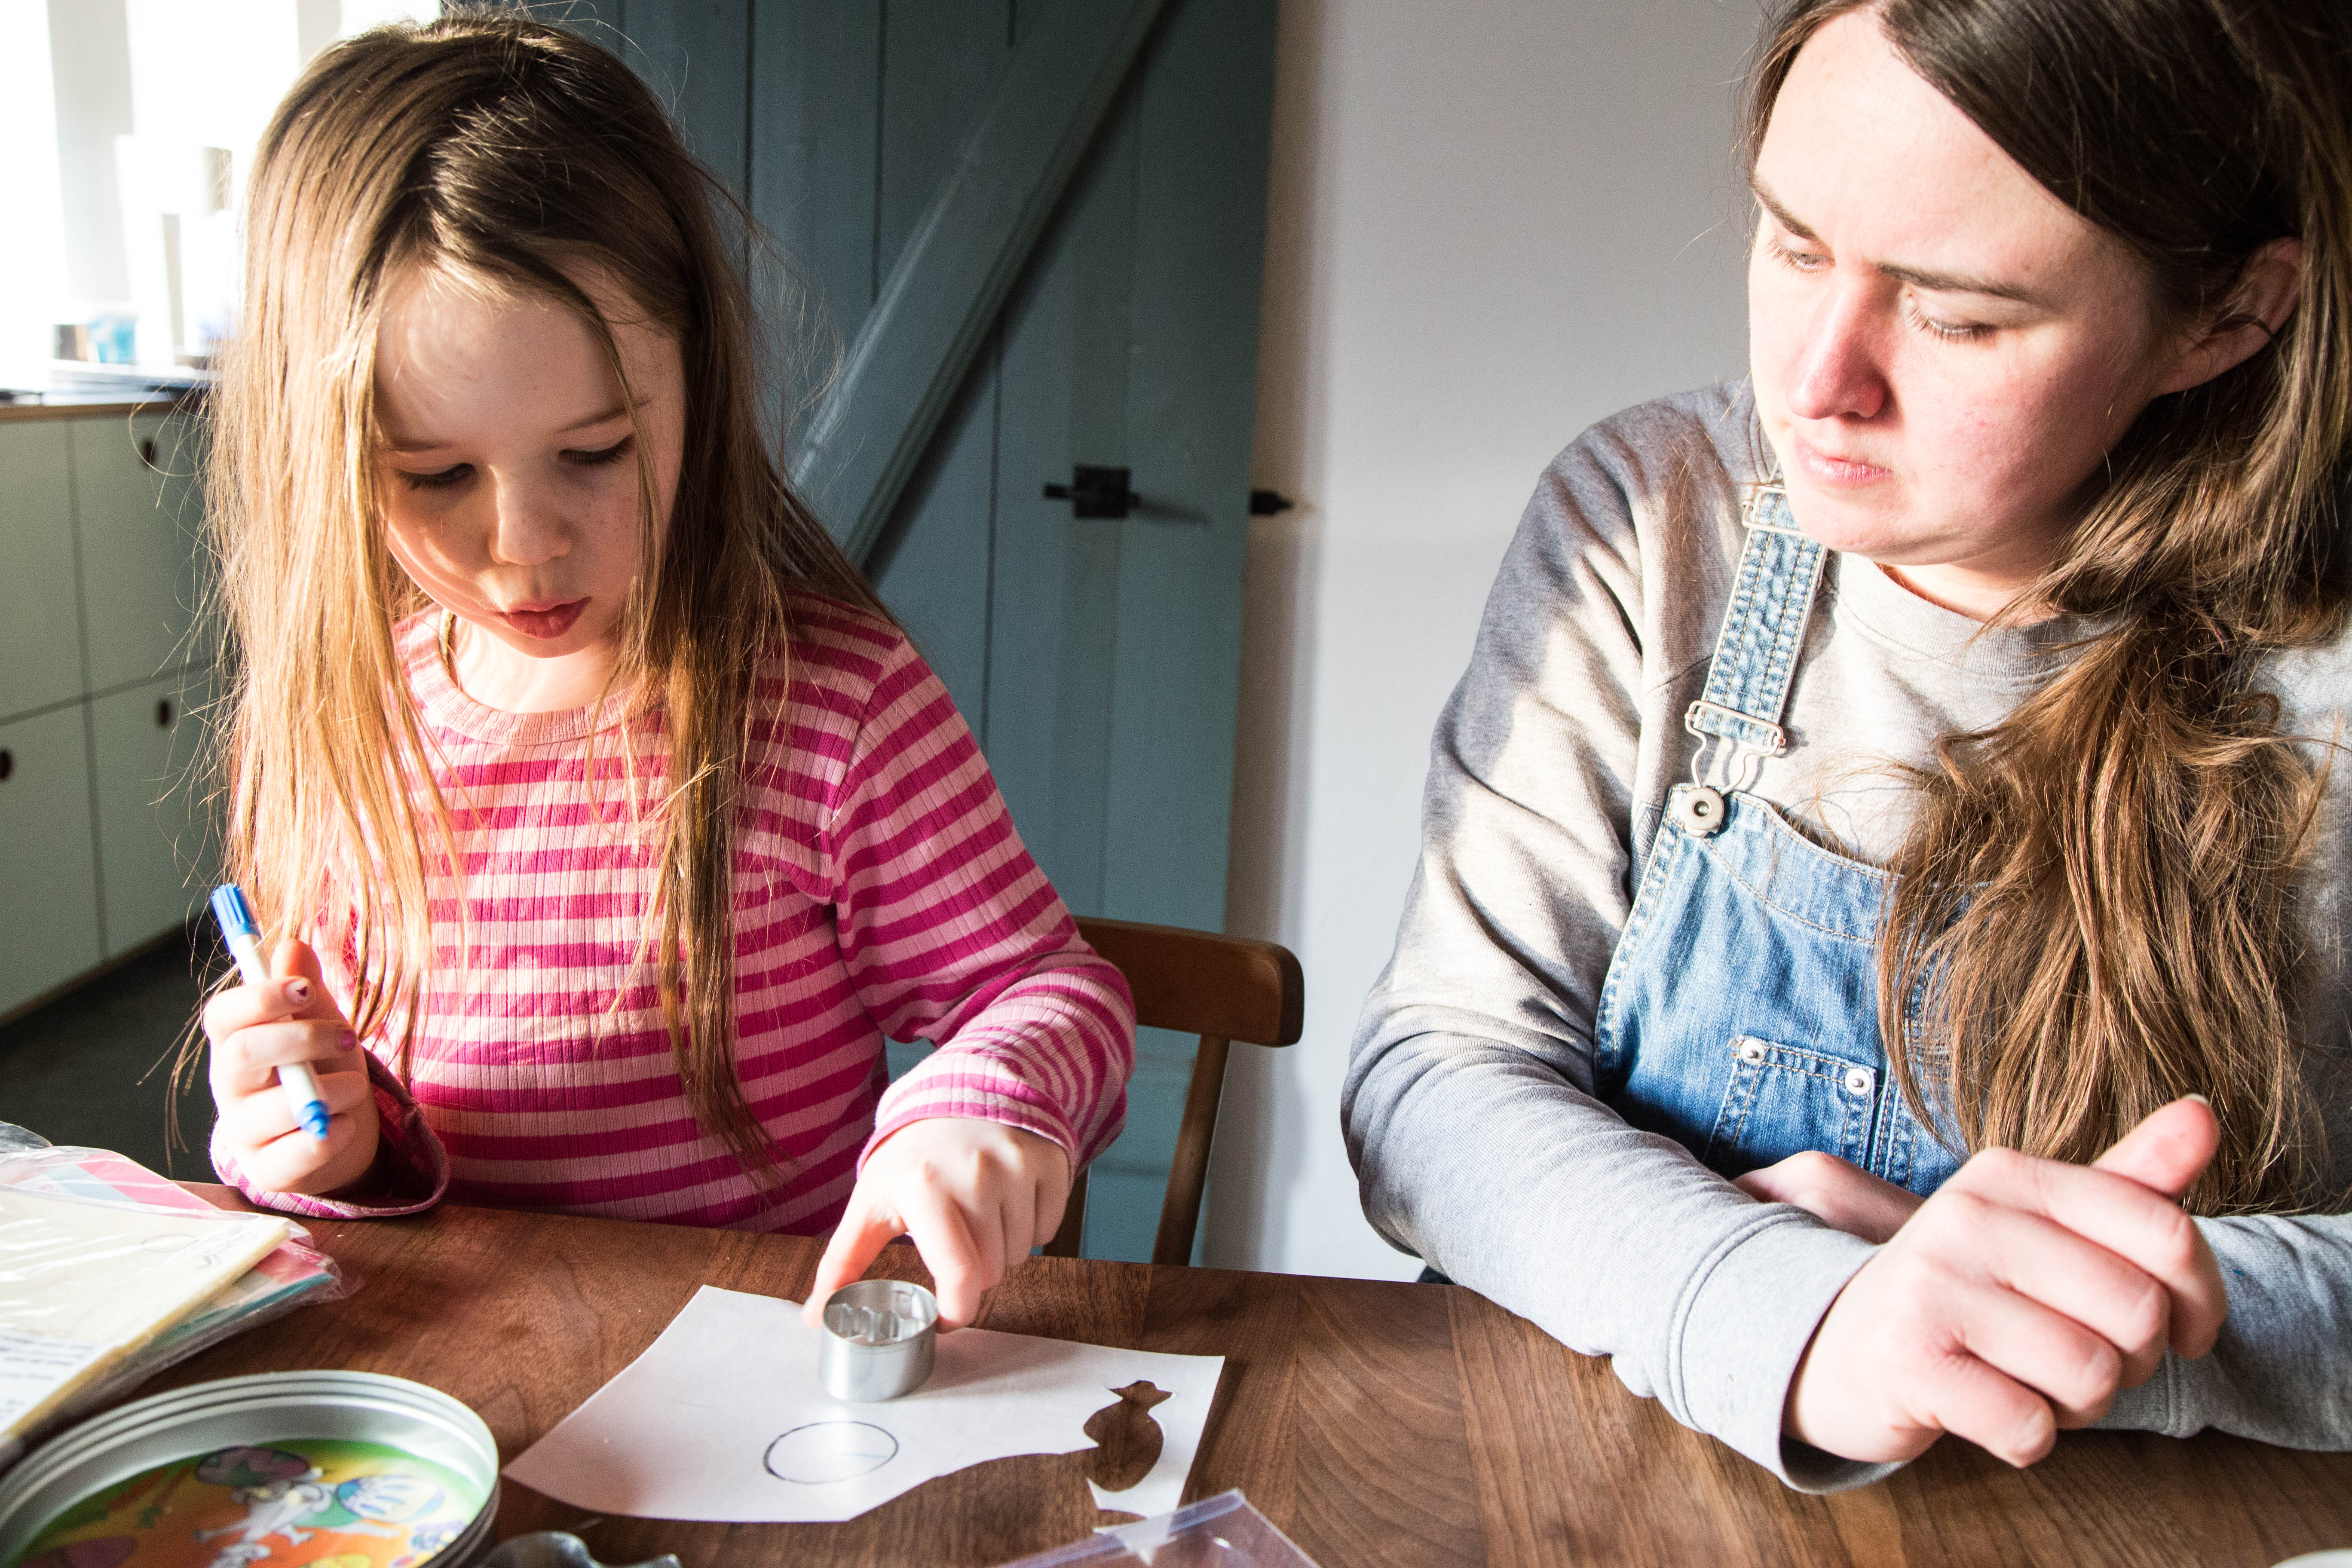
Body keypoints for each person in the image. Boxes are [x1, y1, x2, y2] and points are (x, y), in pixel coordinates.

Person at [1346, 0, 2352, 1491]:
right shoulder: (1652, 521)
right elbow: (1436, 1085)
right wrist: (1811, 1317)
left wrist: (2044, 1328)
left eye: (1959, 315)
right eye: (1794, 243)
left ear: (2225, 317)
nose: (1817, 384)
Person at [195, 15, 1134, 1329]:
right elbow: (345, 1120)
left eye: (593, 451)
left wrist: (980, 1103)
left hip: (751, 1419)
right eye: (437, 477)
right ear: (324, 456)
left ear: (699, 372)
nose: (526, 548)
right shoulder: (336, 732)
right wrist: (314, 1144)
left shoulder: (829, 707)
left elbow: (1050, 990)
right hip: (461, 1405)